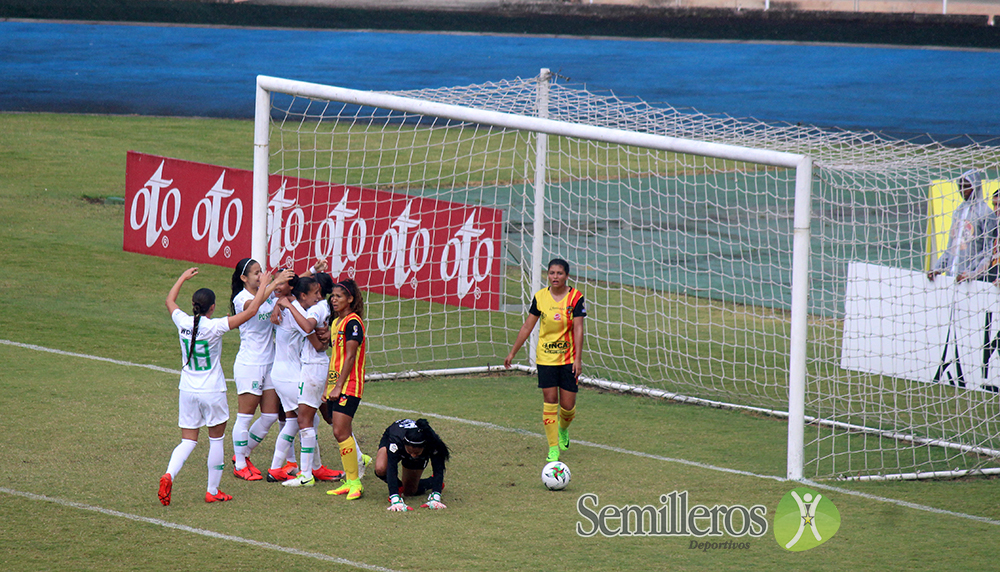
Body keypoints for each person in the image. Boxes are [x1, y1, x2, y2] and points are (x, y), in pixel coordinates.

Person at [159, 266, 274, 506]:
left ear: (193, 305)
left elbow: (170, 301)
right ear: (212, 308)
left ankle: (169, 474)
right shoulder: (215, 326)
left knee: (188, 441)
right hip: (212, 391)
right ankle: (212, 490)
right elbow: (252, 310)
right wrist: (265, 283)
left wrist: (181, 277)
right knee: (215, 441)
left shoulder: (182, 322)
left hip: (187, 391)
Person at [504, 258, 587, 463]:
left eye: (559, 273)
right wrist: (513, 352)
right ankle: (553, 448)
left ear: (567, 275)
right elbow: (527, 327)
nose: (555, 277)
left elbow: (578, 328)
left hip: (568, 360)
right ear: (547, 275)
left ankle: (563, 430)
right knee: (550, 401)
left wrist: (578, 358)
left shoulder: (576, 298)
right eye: (551, 273)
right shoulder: (540, 297)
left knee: (568, 407)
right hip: (546, 359)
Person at [276, 273, 346, 487]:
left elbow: (308, 329)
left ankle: (304, 474)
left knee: (304, 421)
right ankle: (354, 459)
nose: (318, 296)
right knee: (324, 418)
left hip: (312, 370)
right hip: (315, 369)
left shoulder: (315, 309)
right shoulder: (318, 309)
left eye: (319, 292)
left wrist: (287, 305)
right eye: (315, 293)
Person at [229, 258, 293, 481]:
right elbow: (254, 307)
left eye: (261, 272)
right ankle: (239, 464)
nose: (260, 276)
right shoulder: (242, 299)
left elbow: (285, 286)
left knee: (269, 416)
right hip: (250, 364)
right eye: (256, 273)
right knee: (245, 417)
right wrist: (272, 284)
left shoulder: (265, 295)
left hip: (269, 363)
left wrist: (313, 270)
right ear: (244, 278)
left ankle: (243, 455)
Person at [265, 275, 323, 482]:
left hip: (283, 373)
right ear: (303, 295)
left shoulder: (289, 307)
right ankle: (310, 470)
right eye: (315, 293)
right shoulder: (295, 311)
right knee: (309, 419)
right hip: (288, 375)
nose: (319, 297)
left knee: (294, 421)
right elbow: (314, 339)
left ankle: (279, 468)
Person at [323, 279, 368, 500]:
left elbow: (350, 356)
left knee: (340, 432)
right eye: (332, 296)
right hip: (336, 384)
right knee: (341, 432)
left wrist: (339, 385)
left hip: (350, 385)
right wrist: (327, 385)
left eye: (339, 296)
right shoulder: (336, 323)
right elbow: (336, 358)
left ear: (350, 299)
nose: (334, 300)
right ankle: (350, 481)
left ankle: (355, 483)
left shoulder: (353, 323)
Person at [928, 169, 998, 283]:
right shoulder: (958, 212)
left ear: (976, 186)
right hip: (952, 277)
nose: (963, 190)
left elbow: (987, 252)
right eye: (960, 186)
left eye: (966, 186)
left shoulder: (986, 213)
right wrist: (937, 269)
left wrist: (972, 273)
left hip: (973, 281)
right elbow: (951, 248)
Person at [374, 418, 450, 512]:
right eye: (410, 451)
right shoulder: (396, 441)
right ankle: (398, 486)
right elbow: (391, 468)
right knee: (380, 469)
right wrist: (395, 497)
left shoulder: (432, 443)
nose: (413, 455)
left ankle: (432, 481)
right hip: (392, 438)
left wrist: (436, 496)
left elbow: (438, 468)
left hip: (416, 447)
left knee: (409, 491)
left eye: (417, 453)